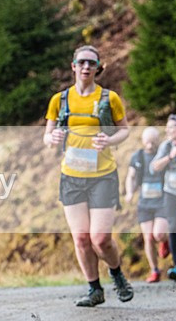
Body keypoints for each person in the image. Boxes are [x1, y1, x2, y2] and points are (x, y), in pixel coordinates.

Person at [44, 45, 132, 307]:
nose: (86, 67)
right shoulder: (59, 100)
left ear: (97, 68)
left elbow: (124, 131)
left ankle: (116, 273)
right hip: (71, 175)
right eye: (81, 62)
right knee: (81, 237)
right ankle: (95, 289)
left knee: (101, 238)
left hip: (103, 175)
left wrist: (110, 140)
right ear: (73, 66)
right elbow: (47, 136)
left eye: (91, 63)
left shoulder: (109, 98)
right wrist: (53, 137)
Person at [125, 127, 169, 283]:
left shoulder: (164, 155)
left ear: (158, 140)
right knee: (148, 237)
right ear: (143, 141)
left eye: (154, 142)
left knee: (159, 234)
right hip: (144, 203)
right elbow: (130, 176)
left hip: (162, 202)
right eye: (148, 142)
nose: (150, 145)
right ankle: (154, 270)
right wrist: (129, 192)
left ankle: (165, 240)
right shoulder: (137, 156)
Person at [151, 114, 176, 282]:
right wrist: (170, 156)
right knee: (173, 228)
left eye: (171, 128)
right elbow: (154, 167)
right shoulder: (166, 145)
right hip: (171, 193)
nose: (167, 130)